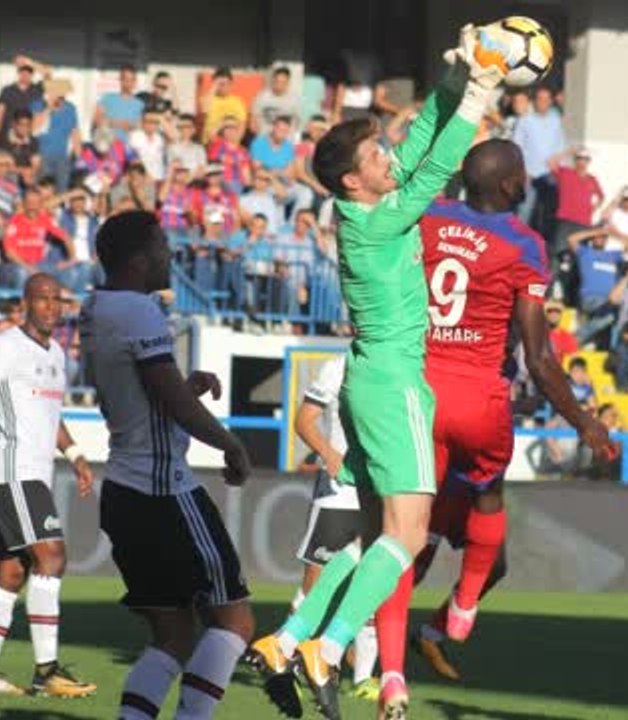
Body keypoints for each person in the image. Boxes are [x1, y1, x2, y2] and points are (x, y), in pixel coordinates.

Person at [244, 29, 504, 720]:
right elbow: (435, 165)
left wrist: (450, 80)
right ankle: (327, 647)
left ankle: (288, 638)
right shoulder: (379, 219)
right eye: (372, 155)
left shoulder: (361, 207)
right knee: (408, 536)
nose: (385, 155)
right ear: (354, 178)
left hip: (369, 380)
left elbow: (415, 145)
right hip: (393, 383)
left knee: (366, 535)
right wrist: (479, 97)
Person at [371, 140, 615, 715]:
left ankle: (391, 674)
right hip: (478, 393)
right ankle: (464, 606)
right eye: (523, 173)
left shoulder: (425, 218)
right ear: (509, 186)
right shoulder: (525, 244)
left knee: (402, 536)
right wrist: (584, 422)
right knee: (488, 492)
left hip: (417, 393)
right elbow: (540, 359)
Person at [80, 211, 254, 720]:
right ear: (139, 260)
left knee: (173, 637)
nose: (169, 256)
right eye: (161, 247)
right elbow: (171, 403)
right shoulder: (138, 310)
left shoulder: (96, 307)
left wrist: (182, 384)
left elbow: (146, 389)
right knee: (234, 624)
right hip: (165, 493)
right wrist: (229, 445)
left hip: (124, 491)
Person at [0, 273, 97, 698]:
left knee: (13, 571)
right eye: (42, 299)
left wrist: (77, 455)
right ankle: (47, 671)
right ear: (26, 303)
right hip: (13, 472)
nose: (51, 306)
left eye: (57, 300)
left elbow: (51, 418)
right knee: (52, 556)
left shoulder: (57, 356)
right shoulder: (5, 346)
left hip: (36, 474)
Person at [278, 354, 381, 700]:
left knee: (373, 584)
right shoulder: (338, 366)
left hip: (377, 491)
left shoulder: (401, 363)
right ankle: (282, 659)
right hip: (338, 494)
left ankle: (363, 678)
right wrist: (329, 454)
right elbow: (304, 420)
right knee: (314, 585)